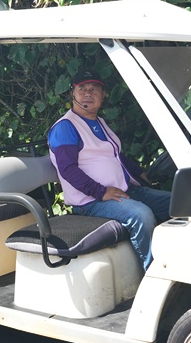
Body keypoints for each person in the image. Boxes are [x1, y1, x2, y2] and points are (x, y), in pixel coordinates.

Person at [47, 69, 172, 271]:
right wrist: (101, 191)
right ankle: (153, 275)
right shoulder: (66, 127)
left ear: (103, 94)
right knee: (141, 215)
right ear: (73, 94)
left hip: (122, 191)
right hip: (91, 201)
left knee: (178, 203)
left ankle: (178, 262)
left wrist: (141, 173)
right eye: (82, 88)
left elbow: (115, 155)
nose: (88, 92)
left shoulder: (99, 122)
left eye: (94, 88)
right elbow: (67, 169)